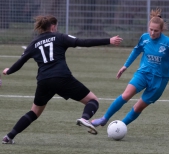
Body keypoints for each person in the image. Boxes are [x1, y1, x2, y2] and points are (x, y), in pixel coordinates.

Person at [2, 15, 123, 144]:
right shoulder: (59, 37)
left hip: (44, 81)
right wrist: (108, 40)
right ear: (53, 27)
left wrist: (8, 71)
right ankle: (85, 118)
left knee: (34, 112)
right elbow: (83, 42)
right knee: (93, 100)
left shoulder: (34, 43)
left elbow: (20, 62)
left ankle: (9, 137)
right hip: (62, 77)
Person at [91, 8, 169, 127]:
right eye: (151, 29)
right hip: (143, 73)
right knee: (125, 95)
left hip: (159, 81)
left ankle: (120, 126)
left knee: (137, 107)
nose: (152, 33)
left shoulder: (168, 42)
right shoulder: (144, 38)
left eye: (156, 31)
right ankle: (104, 118)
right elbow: (136, 51)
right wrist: (125, 66)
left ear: (161, 30)